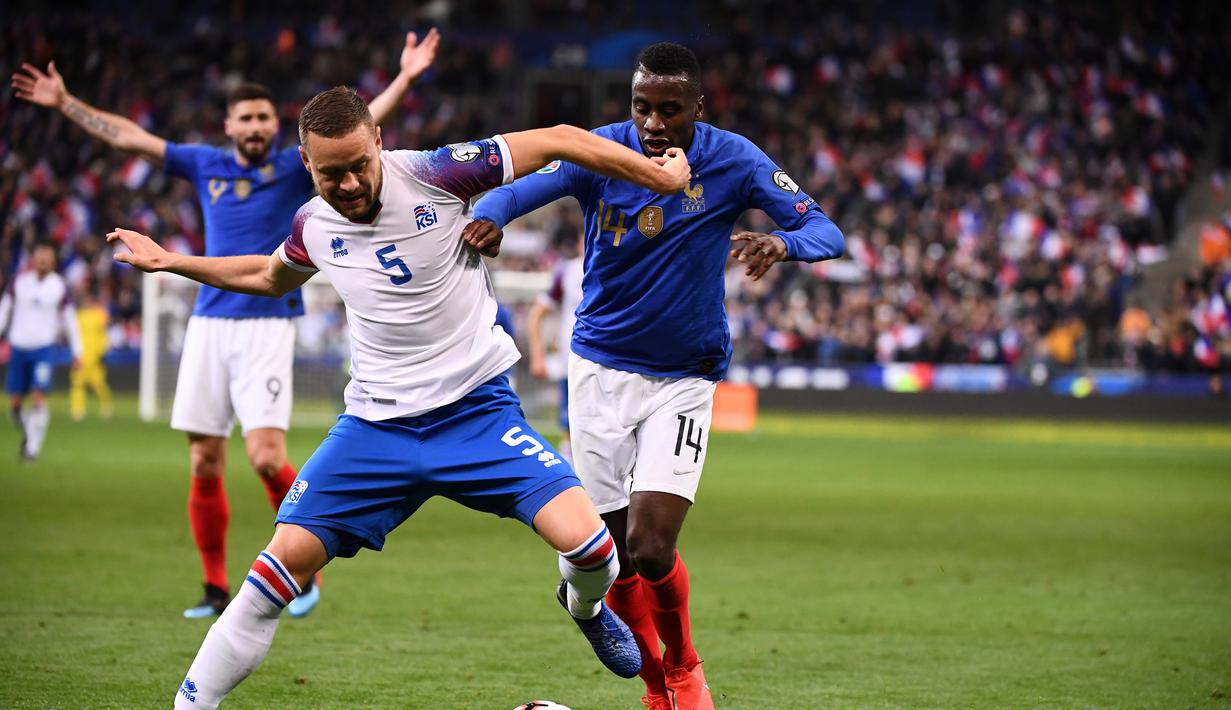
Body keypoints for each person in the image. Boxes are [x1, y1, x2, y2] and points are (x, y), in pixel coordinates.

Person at [107, 85, 692, 709]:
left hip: (476, 414)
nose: (350, 184)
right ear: (306, 164)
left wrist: (656, 178)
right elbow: (269, 276)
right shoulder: (313, 224)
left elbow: (560, 140)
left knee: (596, 551)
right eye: (332, 173)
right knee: (272, 573)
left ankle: (584, 606)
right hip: (374, 428)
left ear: (380, 142)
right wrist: (172, 262)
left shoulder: (439, 173)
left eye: (360, 165)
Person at [12, 28, 440, 619]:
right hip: (208, 323)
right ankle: (214, 588)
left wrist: (406, 77)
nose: (256, 126)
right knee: (204, 460)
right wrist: (66, 104)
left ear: (275, 127)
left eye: (265, 117)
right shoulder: (204, 164)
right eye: (247, 118)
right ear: (229, 126)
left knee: (265, 455)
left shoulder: (295, 168)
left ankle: (305, 568)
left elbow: (362, 127)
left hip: (268, 319)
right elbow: (130, 137)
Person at [467, 42, 846, 710]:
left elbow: (825, 230)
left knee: (650, 546)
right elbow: (520, 188)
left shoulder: (734, 160)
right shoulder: (602, 151)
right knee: (610, 554)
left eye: (670, 110)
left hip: (684, 377)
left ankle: (684, 666)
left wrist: (782, 243)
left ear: (698, 107)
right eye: (642, 106)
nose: (653, 123)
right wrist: (489, 219)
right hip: (598, 372)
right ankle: (654, 687)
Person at [0, 244, 83, 463]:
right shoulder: (19, 282)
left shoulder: (59, 286)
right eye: (40, 259)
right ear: (33, 261)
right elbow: (4, 310)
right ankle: (30, 434)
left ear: (53, 262)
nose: (43, 263)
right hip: (19, 347)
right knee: (14, 405)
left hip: (43, 349)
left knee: (38, 397)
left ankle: (32, 449)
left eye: (47, 259)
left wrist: (78, 351)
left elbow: (70, 320)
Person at [526, 234, 583, 463]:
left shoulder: (618, 268)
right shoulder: (567, 271)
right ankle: (569, 466)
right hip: (572, 359)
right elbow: (536, 314)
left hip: (609, 361)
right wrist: (537, 357)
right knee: (570, 421)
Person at [69, 286, 114, 421]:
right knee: (77, 384)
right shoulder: (78, 316)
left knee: (99, 384)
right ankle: (78, 410)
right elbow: (73, 335)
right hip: (81, 356)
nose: (87, 303)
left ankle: (106, 406)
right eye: (85, 300)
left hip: (95, 356)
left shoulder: (99, 314)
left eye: (89, 300)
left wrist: (103, 349)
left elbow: (106, 328)